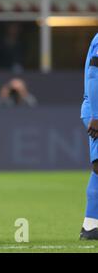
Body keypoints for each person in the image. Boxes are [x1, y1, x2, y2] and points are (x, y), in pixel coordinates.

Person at [80, 32, 98, 240]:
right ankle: (91, 225)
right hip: (95, 109)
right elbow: (94, 74)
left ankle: (91, 225)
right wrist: (96, 114)